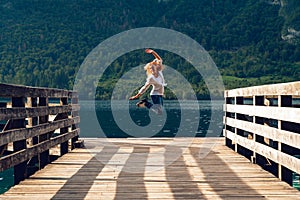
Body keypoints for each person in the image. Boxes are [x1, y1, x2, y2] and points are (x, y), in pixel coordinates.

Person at [129, 49, 166, 114]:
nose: (152, 70)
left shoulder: (159, 71)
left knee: (160, 112)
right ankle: (145, 103)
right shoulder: (151, 78)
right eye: (150, 69)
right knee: (159, 112)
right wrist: (137, 96)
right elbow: (145, 87)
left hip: (160, 94)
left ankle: (145, 102)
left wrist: (153, 52)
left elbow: (159, 60)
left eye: (153, 68)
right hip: (155, 94)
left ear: (156, 67)